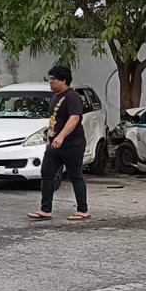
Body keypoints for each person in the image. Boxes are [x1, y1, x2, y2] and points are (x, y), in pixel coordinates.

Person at [28, 66, 89, 222]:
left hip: (72, 144)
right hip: (54, 144)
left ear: (63, 80)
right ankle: (45, 209)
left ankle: (82, 210)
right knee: (47, 173)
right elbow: (54, 121)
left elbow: (74, 118)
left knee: (75, 176)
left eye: (53, 80)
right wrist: (50, 139)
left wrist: (61, 136)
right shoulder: (56, 97)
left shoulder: (72, 96)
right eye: (50, 79)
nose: (51, 83)